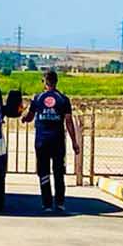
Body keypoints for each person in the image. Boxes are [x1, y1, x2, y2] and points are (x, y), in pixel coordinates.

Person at [22, 68, 80, 212]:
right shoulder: (63, 99)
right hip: (58, 141)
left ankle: (46, 203)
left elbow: (29, 116)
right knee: (59, 172)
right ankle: (59, 203)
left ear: (44, 82)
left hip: (41, 141)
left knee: (43, 171)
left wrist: (23, 117)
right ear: (56, 82)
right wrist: (74, 142)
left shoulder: (37, 98)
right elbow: (68, 122)